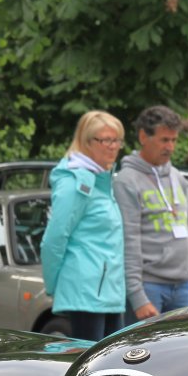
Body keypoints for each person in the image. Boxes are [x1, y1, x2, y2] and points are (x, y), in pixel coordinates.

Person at [39, 110, 127, 341]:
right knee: (93, 360)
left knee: (113, 358)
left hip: (106, 292)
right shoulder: (76, 182)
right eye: (106, 140)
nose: (113, 147)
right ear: (87, 142)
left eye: (117, 140)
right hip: (86, 292)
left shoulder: (101, 180)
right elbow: (54, 239)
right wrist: (54, 285)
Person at [115, 105, 188, 322]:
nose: (170, 147)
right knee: (145, 345)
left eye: (174, 140)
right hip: (149, 286)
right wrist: (137, 296)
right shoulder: (127, 181)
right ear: (143, 137)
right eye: (164, 140)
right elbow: (128, 240)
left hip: (182, 286)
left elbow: (187, 226)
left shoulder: (177, 177)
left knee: (181, 344)